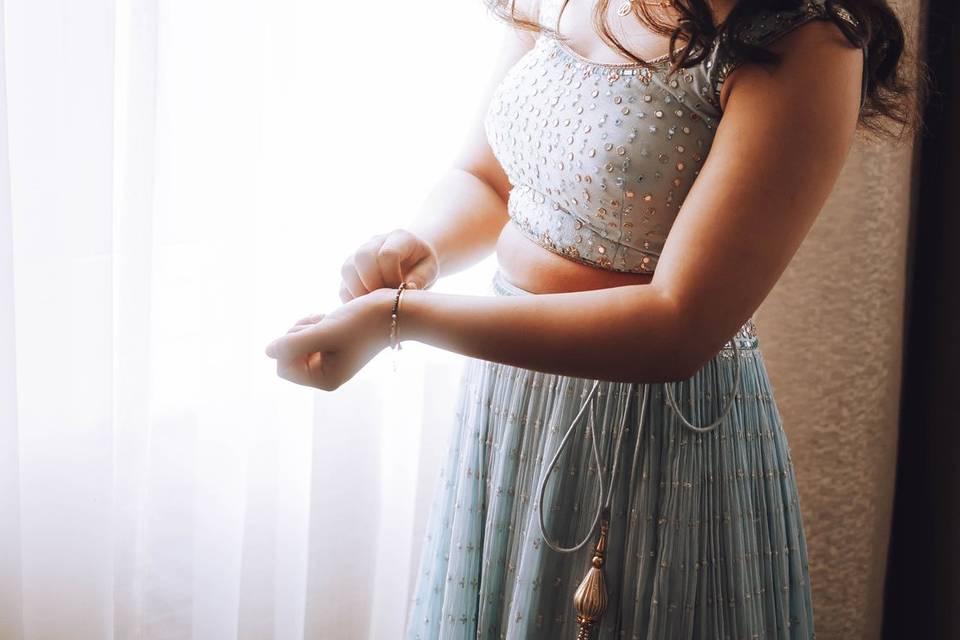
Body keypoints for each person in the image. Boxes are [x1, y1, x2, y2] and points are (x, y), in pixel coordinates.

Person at [264, 0, 920, 636]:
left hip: (652, 431)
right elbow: (490, 180)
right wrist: (422, 244)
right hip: (511, 400)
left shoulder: (806, 40)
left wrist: (397, 321)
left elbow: (676, 325)